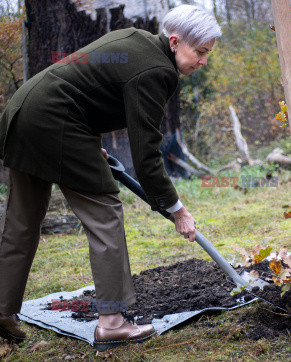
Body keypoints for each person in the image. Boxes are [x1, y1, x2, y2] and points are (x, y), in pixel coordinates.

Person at [0, 5, 221, 351]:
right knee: (106, 215)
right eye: (201, 52)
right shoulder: (157, 71)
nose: (204, 61)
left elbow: (85, 88)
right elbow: (147, 156)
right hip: (57, 123)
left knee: (22, 224)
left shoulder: (135, 39)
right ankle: (113, 322)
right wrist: (177, 210)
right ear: (176, 42)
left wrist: (88, 144)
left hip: (25, 110)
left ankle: (2, 310)